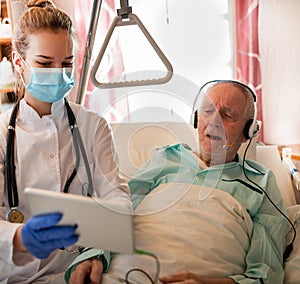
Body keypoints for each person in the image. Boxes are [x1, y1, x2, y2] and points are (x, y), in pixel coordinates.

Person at [100, 80, 288, 284]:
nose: (214, 121)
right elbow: (118, 210)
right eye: (208, 111)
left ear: (248, 131)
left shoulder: (260, 182)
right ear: (197, 119)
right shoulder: (167, 158)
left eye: (228, 115)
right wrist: (92, 256)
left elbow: (266, 273)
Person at [0, 0, 130, 283]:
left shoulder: (94, 127)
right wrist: (21, 237)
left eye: (67, 63)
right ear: (18, 62)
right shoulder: (1, 135)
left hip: (77, 269)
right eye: (45, 63)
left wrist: (94, 250)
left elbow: (118, 201)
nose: (58, 73)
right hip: (13, 274)